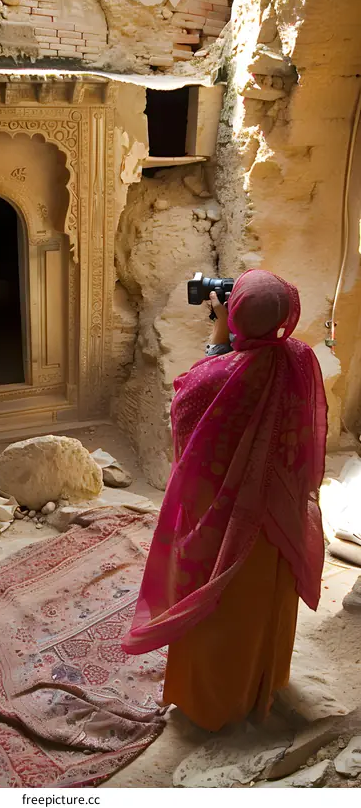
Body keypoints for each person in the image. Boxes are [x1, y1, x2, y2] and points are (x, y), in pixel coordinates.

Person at [122, 269, 328, 732]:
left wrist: (219, 337)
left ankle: (211, 703)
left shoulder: (220, 376)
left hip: (229, 523)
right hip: (279, 515)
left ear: (235, 314)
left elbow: (185, 419)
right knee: (264, 606)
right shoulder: (299, 357)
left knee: (221, 609)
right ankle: (263, 684)